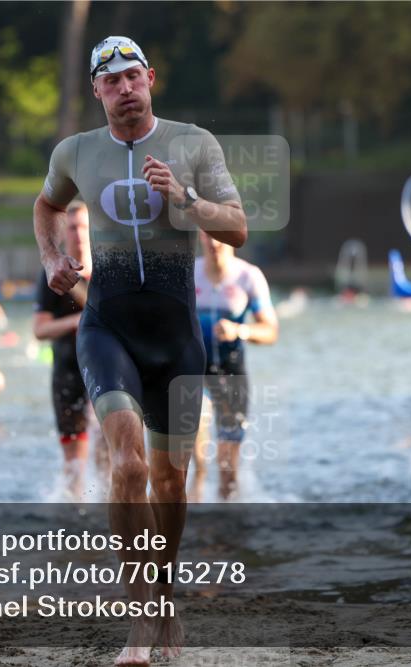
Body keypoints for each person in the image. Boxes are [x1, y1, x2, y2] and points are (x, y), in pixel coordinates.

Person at [33, 35, 246, 665]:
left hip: (177, 337)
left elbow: (236, 227)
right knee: (125, 465)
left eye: (133, 76)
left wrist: (183, 198)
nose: (125, 88)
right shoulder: (75, 152)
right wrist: (52, 259)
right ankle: (143, 615)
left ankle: (164, 590)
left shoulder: (194, 144)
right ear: (97, 91)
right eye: (111, 80)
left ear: (150, 78)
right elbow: (45, 207)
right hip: (108, 329)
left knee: (170, 482)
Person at [193, 230, 278, 500]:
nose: (215, 242)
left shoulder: (248, 276)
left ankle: (228, 531)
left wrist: (240, 331)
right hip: (193, 376)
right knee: (197, 465)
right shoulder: (187, 274)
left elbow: (271, 331)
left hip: (231, 375)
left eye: (220, 236)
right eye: (208, 235)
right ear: (200, 236)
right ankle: (195, 528)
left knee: (227, 469)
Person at [33, 202, 108, 500]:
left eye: (83, 228)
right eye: (72, 228)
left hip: (106, 372)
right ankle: (76, 526)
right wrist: (75, 321)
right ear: (63, 233)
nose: (78, 234)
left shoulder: (108, 271)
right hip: (67, 372)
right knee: (74, 464)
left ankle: (109, 515)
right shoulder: (53, 274)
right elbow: (39, 330)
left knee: (110, 454)